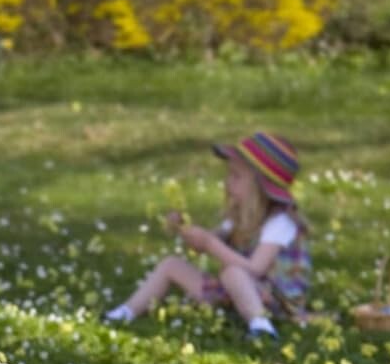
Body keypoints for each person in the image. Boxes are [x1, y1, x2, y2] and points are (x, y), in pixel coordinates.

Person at [103, 132, 309, 340]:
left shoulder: (280, 222)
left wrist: (210, 244)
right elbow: (206, 242)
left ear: (262, 188)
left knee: (232, 272)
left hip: (275, 301)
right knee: (171, 265)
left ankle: (262, 326)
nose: (227, 183)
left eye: (236, 176)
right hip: (237, 291)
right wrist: (184, 228)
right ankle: (124, 313)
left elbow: (255, 269)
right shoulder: (238, 218)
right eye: (229, 174)